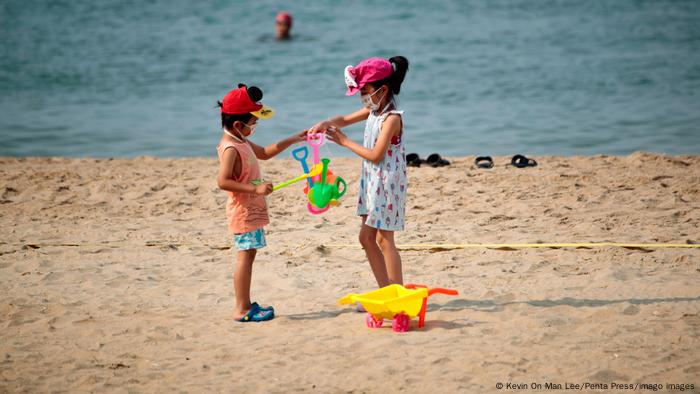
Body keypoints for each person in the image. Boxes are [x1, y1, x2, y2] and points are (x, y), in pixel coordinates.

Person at [310, 56, 410, 288]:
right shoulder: (372, 111)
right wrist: (324, 123)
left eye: (365, 90)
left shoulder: (392, 119)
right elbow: (343, 119)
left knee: (385, 241)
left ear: (382, 90)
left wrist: (344, 142)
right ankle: (385, 290)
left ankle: (396, 295)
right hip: (371, 183)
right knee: (366, 238)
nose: (363, 96)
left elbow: (376, 155)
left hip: (387, 185)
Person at [216, 84, 306, 322]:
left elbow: (265, 152)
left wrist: (294, 139)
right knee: (245, 257)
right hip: (243, 211)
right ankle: (241, 309)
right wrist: (254, 188)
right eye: (252, 122)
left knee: (249, 254)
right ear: (238, 124)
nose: (254, 126)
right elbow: (223, 181)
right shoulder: (231, 148)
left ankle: (245, 303)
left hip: (250, 209)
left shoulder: (241, 141)